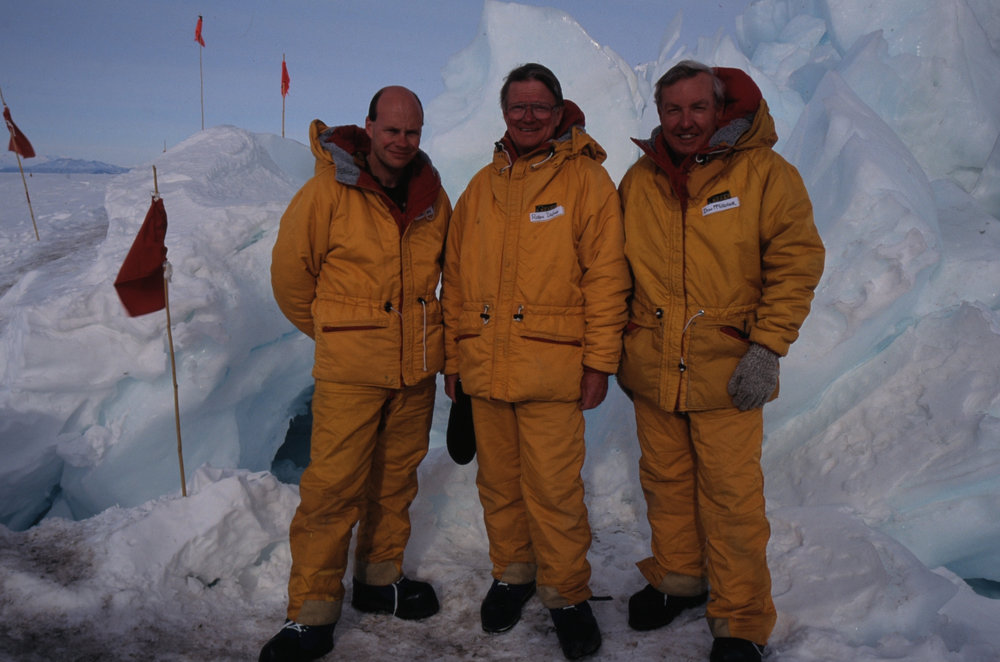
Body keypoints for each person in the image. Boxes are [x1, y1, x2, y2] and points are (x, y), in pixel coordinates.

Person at [617, 60, 825, 662]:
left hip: (728, 369)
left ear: (719, 108)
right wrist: (622, 344)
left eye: (697, 108)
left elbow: (796, 262)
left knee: (731, 498)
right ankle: (680, 577)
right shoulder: (640, 180)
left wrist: (767, 347)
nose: (685, 122)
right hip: (654, 366)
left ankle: (741, 619)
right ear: (659, 113)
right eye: (673, 110)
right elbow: (615, 271)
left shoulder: (765, 173)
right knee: (666, 483)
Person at [441, 63, 630, 660]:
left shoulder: (587, 182)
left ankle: (567, 594)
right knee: (498, 486)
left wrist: (599, 363)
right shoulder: (479, 188)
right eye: (517, 106)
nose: (527, 116)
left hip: (553, 371)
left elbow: (606, 279)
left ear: (558, 111)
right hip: (484, 368)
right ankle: (513, 573)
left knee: (554, 492)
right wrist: (453, 361)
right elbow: (454, 280)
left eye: (539, 106)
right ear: (504, 113)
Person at [262, 85, 451, 662]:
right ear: (369, 128)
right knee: (332, 491)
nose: (401, 141)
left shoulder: (431, 195)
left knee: (394, 481)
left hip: (413, 373)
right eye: (391, 130)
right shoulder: (327, 193)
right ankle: (311, 613)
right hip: (351, 374)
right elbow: (291, 278)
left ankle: (378, 580)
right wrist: (341, 334)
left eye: (412, 131)